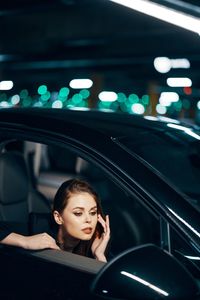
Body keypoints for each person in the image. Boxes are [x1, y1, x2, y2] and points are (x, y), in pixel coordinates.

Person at [0, 179, 110, 262]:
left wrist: (99, 256)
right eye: (78, 213)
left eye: (93, 212)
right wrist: (24, 241)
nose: (89, 220)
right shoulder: (37, 228)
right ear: (58, 217)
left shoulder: (95, 244)